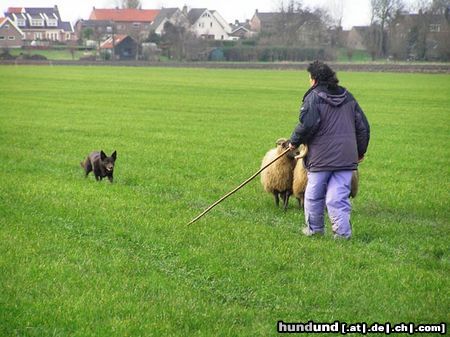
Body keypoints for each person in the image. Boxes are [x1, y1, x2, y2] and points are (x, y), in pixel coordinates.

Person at [289, 61, 370, 239]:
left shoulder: (314, 98)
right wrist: (359, 152)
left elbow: (307, 124)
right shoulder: (348, 97)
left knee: (313, 195)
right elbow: (363, 127)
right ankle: (342, 235)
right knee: (337, 198)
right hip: (346, 159)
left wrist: (293, 142)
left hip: (321, 158)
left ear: (314, 79)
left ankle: (314, 230)